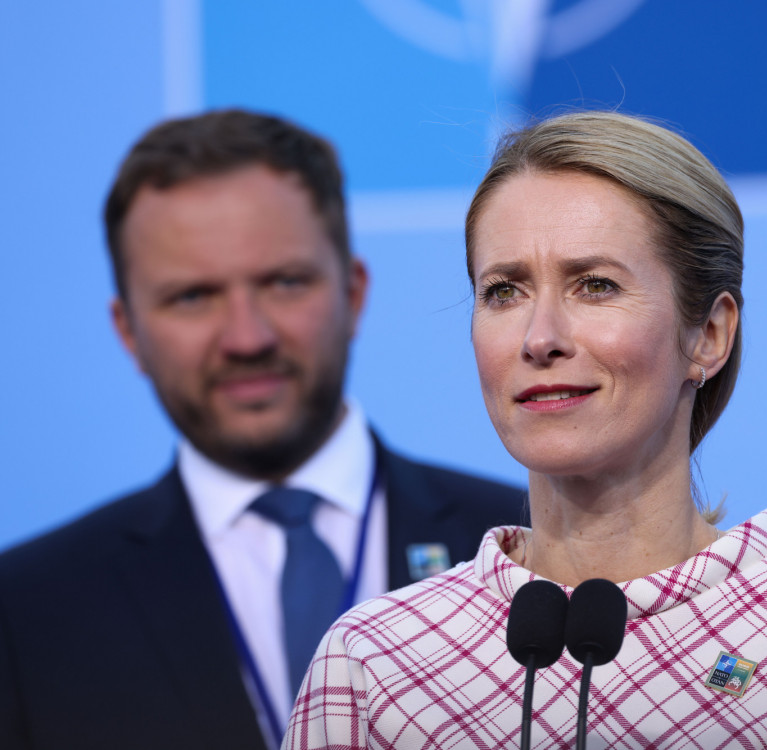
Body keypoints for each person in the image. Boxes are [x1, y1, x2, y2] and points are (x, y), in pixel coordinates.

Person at [281, 111, 767, 749]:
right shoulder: (374, 661)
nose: (539, 338)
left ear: (709, 335)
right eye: (504, 291)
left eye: (595, 285)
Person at [0, 109, 524, 750]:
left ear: (353, 293)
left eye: (284, 282)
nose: (247, 338)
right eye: (192, 296)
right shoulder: (25, 614)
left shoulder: (535, 553)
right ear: (128, 331)